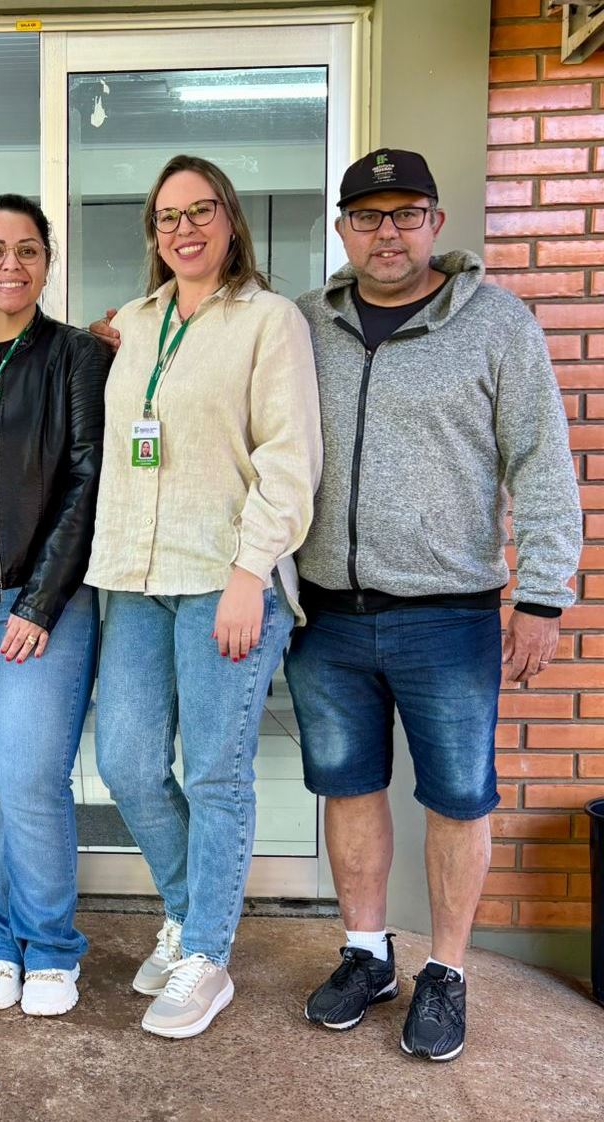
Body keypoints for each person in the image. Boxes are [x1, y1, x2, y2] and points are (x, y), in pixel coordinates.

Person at [286, 149, 581, 1062]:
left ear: (435, 223)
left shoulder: (496, 324)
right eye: (368, 216)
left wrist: (543, 595)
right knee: (348, 786)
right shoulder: (305, 324)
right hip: (327, 612)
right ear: (342, 228)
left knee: (458, 797)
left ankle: (446, 970)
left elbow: (543, 462)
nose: (388, 233)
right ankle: (367, 953)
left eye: (406, 213)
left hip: (449, 614)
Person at [84, 155, 321, 1039]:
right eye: (168, 216)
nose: (184, 229)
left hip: (227, 578)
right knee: (127, 763)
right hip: (136, 579)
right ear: (152, 231)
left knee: (216, 772)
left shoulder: (269, 320)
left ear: (230, 220)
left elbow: (289, 459)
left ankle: (207, 957)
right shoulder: (133, 323)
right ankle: (190, 916)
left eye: (201, 211)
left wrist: (252, 574)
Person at [0, 194, 108, 1016]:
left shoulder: (78, 356)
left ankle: (53, 948)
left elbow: (86, 480)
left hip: (44, 601)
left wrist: (39, 601)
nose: (11, 264)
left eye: (28, 249)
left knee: (32, 779)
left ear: (47, 262)